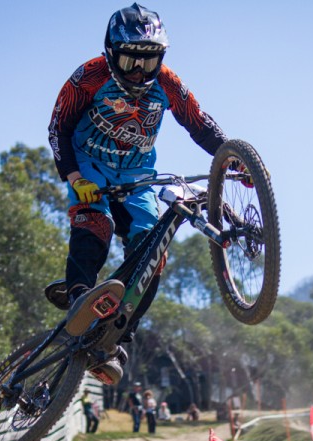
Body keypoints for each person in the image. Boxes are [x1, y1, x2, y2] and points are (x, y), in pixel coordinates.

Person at [45, 3, 230, 387]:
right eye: (130, 59)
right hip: (89, 166)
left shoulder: (168, 83)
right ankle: (81, 298)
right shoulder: (88, 77)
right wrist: (74, 176)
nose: (138, 71)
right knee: (96, 223)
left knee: (153, 250)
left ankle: (116, 342)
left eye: (148, 62)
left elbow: (199, 124)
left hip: (137, 175)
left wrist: (233, 156)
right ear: (112, 52)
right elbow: (57, 128)